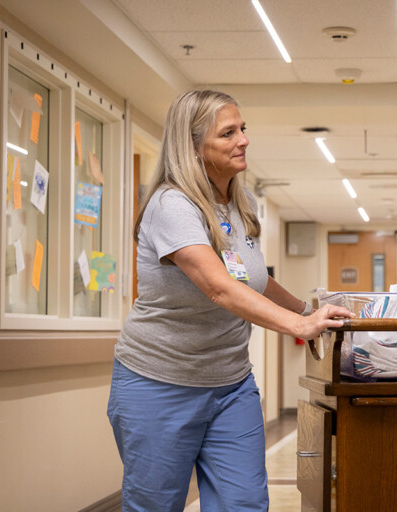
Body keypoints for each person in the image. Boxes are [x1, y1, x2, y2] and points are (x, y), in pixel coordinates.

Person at [107, 89, 352, 512]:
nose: (244, 140)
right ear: (193, 147)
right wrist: (298, 328)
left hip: (230, 385)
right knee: (156, 505)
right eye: (228, 133)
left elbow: (250, 277)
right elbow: (218, 286)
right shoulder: (172, 204)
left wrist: (305, 311)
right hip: (159, 382)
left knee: (243, 503)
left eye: (243, 129)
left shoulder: (241, 203)